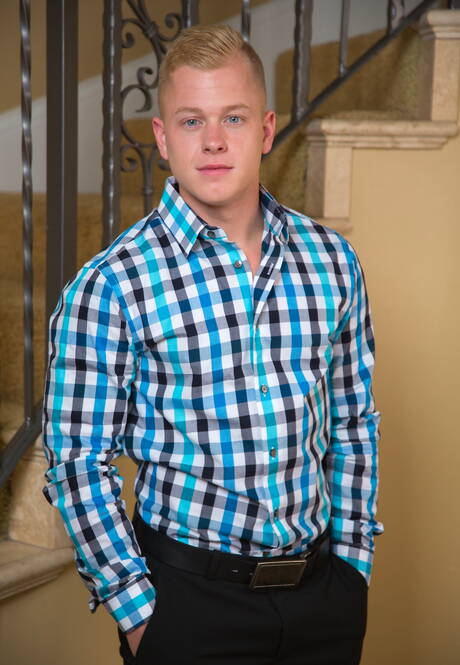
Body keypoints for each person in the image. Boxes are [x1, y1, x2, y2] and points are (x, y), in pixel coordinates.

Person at [42, 23, 382, 665]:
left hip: (323, 598)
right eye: (192, 121)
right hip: (188, 605)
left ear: (266, 129)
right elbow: (78, 463)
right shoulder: (112, 284)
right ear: (163, 138)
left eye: (234, 117)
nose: (215, 140)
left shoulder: (332, 260)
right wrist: (141, 616)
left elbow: (353, 421)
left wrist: (353, 565)